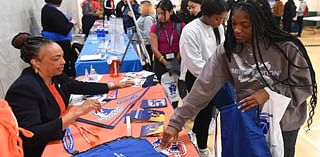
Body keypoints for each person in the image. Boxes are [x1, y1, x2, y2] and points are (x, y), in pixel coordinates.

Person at [160, 1, 317, 157]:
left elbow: (305, 85)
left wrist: (270, 93)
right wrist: (176, 122)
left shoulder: (286, 48)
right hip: (247, 123)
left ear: (261, 23)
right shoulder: (228, 50)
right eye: (233, 23)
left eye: (245, 25)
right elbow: (203, 87)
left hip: (284, 126)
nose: (237, 30)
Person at [6, 32, 134, 157]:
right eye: (56, 59)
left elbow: (77, 86)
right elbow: (31, 135)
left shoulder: (55, 75)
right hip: (43, 149)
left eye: (62, 56)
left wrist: (112, 85)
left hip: (62, 135)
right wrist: (75, 113)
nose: (63, 62)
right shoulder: (24, 89)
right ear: (36, 62)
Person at [179, 0, 228, 156]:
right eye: (218, 18)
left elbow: (223, 51)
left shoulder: (218, 27)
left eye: (223, 19)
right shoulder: (190, 31)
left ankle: (202, 136)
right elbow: (194, 63)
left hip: (218, 77)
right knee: (203, 114)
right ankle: (201, 146)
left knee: (215, 112)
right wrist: (216, 76)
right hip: (197, 78)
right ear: (206, 15)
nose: (220, 22)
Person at [150, 0, 185, 108]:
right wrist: (165, 63)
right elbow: (154, 49)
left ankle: (173, 112)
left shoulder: (181, 26)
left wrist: (176, 60)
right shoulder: (155, 27)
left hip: (177, 60)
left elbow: (183, 45)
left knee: (174, 91)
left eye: (162, 13)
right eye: (158, 13)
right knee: (162, 91)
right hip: (161, 61)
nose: (160, 16)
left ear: (170, 12)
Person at [41, 0, 76, 77]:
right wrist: (72, 23)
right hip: (59, 42)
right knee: (62, 64)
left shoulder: (47, 9)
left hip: (57, 41)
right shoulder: (52, 12)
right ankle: (64, 81)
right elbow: (64, 30)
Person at [137, 0, 155, 71]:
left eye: (141, 6)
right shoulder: (142, 17)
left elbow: (148, 34)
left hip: (147, 44)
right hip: (143, 43)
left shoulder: (147, 18)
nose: (139, 7)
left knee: (149, 61)